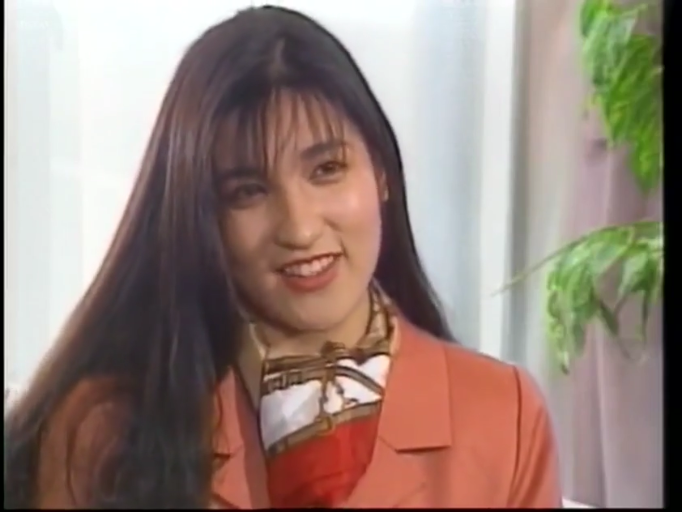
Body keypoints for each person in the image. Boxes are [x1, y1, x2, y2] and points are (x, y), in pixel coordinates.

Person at [4, 5, 562, 509]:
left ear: (382, 173)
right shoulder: (106, 430)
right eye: (248, 191)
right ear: (202, 214)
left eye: (327, 170)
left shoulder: (502, 418)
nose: (299, 227)